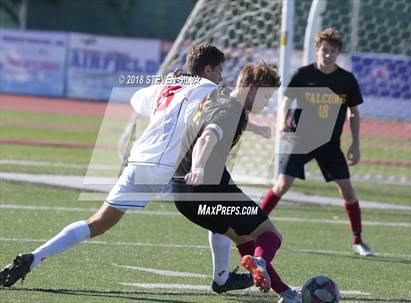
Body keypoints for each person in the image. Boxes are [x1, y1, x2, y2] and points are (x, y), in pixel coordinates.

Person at [0, 44, 254, 292]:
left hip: (140, 159)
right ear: (208, 69)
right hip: (175, 166)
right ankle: (222, 279)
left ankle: (33, 257)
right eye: (219, 70)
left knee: (97, 222)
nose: (222, 76)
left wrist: (164, 84)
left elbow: (136, 99)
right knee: (217, 212)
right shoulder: (212, 89)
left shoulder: (168, 85)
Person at [170, 63, 300, 303]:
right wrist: (198, 168)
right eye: (266, 96)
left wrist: (256, 128)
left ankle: (287, 294)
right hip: (207, 187)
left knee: (244, 239)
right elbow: (207, 138)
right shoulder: (232, 111)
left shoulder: (222, 97)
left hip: (182, 193)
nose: (267, 103)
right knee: (270, 235)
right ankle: (261, 263)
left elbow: (217, 113)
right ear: (251, 89)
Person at [259, 28, 374, 256]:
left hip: (330, 144)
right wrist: (282, 122)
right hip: (300, 139)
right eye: (324, 50)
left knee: (348, 190)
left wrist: (356, 143)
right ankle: (251, 225)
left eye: (332, 51)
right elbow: (285, 101)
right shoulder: (303, 75)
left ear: (338, 52)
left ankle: (358, 240)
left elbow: (354, 113)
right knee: (282, 185)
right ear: (317, 50)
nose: (328, 55)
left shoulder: (346, 80)